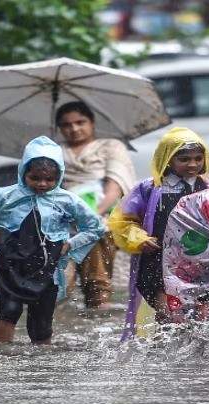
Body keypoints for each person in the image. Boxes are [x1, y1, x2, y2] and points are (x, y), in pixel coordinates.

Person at [0, 136, 104, 344]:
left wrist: (70, 244)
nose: (42, 184)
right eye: (35, 178)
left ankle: (42, 367)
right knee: (8, 311)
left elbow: (94, 227)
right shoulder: (2, 197)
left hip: (47, 267)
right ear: (23, 173)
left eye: (49, 179)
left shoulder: (67, 200)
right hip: (9, 265)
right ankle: (1, 356)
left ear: (59, 176)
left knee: (41, 321)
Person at [108, 128, 209, 336]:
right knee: (168, 318)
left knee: (203, 321)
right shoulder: (149, 190)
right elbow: (122, 222)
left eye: (198, 158)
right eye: (184, 159)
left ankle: (197, 364)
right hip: (158, 263)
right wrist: (139, 239)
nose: (192, 164)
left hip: (202, 264)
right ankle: (162, 362)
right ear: (167, 160)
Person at [55, 101, 137, 308]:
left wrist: (92, 214)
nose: (74, 129)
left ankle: (98, 311)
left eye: (80, 122)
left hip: (102, 217)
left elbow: (115, 187)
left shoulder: (110, 147)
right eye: (66, 125)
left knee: (97, 279)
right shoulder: (54, 153)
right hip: (62, 221)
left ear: (92, 123)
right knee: (57, 287)